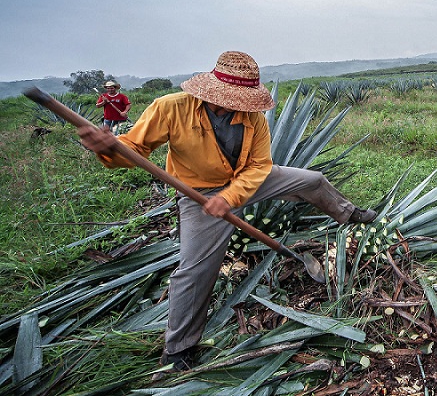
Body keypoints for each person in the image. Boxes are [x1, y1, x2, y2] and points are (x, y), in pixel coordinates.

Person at [77, 51, 377, 374]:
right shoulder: (171, 108)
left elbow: (260, 165)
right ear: (215, 92)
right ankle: (178, 350)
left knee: (313, 181)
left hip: (246, 179)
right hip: (198, 193)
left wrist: (231, 196)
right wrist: (108, 149)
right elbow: (133, 149)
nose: (242, 106)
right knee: (194, 269)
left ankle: (349, 214)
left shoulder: (253, 118)